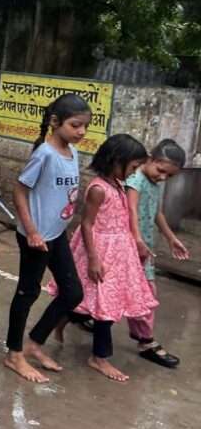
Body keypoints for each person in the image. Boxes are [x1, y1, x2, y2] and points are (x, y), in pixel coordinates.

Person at [3, 94, 90, 383]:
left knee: (73, 292)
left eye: (85, 127)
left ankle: (34, 343)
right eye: (76, 125)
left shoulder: (73, 152)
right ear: (55, 122)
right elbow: (19, 191)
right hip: (36, 238)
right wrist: (32, 231)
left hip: (57, 234)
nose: (81, 132)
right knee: (27, 293)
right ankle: (14, 354)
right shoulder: (44, 154)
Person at [55, 134, 156, 382]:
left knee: (100, 303)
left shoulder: (117, 185)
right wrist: (93, 259)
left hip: (119, 253)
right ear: (116, 161)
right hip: (101, 252)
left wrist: (136, 245)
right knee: (104, 307)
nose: (133, 173)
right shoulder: (99, 189)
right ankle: (99, 357)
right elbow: (87, 224)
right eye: (132, 167)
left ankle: (63, 319)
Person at [125, 139, 189, 368]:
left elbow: (157, 213)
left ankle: (143, 338)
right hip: (129, 247)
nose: (163, 178)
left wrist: (172, 238)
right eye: (161, 171)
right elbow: (131, 210)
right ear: (150, 159)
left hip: (144, 249)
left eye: (169, 176)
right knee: (143, 295)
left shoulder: (155, 183)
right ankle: (146, 341)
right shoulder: (135, 180)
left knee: (142, 294)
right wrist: (137, 239)